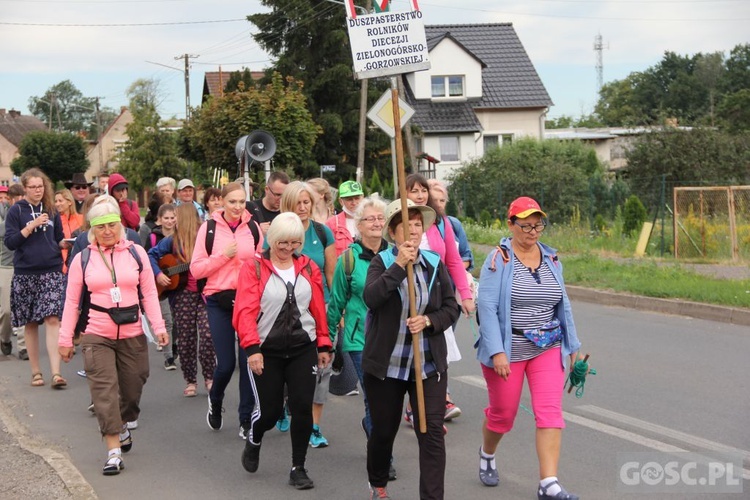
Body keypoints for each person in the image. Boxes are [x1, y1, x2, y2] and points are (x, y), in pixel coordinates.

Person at [475, 196, 582, 499]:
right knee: (503, 415)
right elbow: (487, 307)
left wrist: (573, 345)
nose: (533, 232)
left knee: (550, 413)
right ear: (510, 225)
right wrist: (496, 351)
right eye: (525, 226)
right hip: (509, 349)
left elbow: (564, 304)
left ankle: (548, 482)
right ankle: (487, 453)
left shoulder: (551, 259)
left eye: (538, 226)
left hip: (548, 346)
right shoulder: (499, 259)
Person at [58, 196, 169, 476]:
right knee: (103, 392)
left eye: (112, 225)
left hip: (132, 330)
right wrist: (65, 338)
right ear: (92, 231)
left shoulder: (136, 253)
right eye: (100, 227)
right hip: (97, 333)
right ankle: (113, 452)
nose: (107, 231)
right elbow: (71, 302)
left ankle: (123, 422)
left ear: (120, 226)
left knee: (134, 385)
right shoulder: (82, 259)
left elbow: (149, 294)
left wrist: (158, 327)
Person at [362, 199, 460, 500]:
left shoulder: (433, 264)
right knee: (383, 430)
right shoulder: (382, 262)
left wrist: (429, 320)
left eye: (419, 224)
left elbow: (451, 308)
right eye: (408, 224)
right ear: (394, 232)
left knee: (430, 433)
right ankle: (378, 482)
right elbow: (372, 298)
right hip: (386, 367)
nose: (415, 230)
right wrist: (398, 266)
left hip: (427, 365)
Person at [234, 212, 331, 490]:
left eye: (294, 242)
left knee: (302, 407)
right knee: (270, 412)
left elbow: (317, 308)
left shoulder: (309, 267)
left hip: (303, 348)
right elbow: (244, 311)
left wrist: (323, 343)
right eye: (282, 243)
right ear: (271, 240)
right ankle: (254, 437)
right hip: (266, 351)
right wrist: (252, 349)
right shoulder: (254, 267)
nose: (288, 248)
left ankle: (298, 467)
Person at [190, 182, 263, 437]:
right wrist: (224, 255)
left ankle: (245, 419)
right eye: (232, 202)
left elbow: (261, 264)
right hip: (217, 300)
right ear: (221, 201)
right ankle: (216, 398)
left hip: (246, 301)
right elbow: (196, 269)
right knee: (226, 364)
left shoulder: (252, 227)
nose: (237, 207)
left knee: (247, 362)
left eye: (242, 202)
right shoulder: (208, 229)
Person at [403, 173, 475, 425]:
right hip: (408, 300)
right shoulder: (397, 223)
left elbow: (454, 261)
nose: (420, 195)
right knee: (414, 354)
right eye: (414, 191)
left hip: (437, 300)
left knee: (437, 352)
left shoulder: (440, 223)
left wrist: (464, 296)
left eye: (423, 190)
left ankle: (436, 402)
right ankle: (416, 406)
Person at [327, 197, 389, 439]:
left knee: (387, 398)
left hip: (393, 339)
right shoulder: (348, 260)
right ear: (359, 226)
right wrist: (327, 341)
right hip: (360, 340)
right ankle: (382, 456)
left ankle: (374, 430)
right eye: (370, 218)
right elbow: (337, 302)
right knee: (375, 397)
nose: (376, 223)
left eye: (380, 218)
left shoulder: (397, 256)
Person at [280, 180, 336, 448]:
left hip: (320, 311)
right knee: (290, 368)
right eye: (297, 203)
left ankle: (314, 427)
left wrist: (336, 311)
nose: (302, 208)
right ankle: (284, 404)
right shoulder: (278, 233)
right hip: (286, 313)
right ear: (287, 205)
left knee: (321, 369)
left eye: (306, 203)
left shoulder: (323, 233)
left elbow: (331, 275)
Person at [4, 168, 67, 388]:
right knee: (30, 323)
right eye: (33, 187)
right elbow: (10, 242)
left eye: (41, 186)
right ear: (25, 188)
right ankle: (36, 372)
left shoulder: (51, 210)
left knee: (52, 318)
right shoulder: (16, 211)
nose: (38, 190)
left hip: (51, 269)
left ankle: (56, 373)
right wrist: (30, 226)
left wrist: (67, 243)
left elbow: (57, 238)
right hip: (25, 272)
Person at [149, 203, 215, 396]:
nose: (174, 219)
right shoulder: (172, 241)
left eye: (177, 216)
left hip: (205, 293)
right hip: (182, 294)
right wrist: (159, 274)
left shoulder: (205, 239)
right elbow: (151, 255)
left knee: (208, 335)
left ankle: (209, 377)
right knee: (186, 338)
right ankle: (191, 380)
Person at [144, 203, 177, 369]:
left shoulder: (180, 237)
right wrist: (158, 274)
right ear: (159, 220)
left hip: (177, 283)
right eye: (166, 218)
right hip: (159, 284)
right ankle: (168, 357)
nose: (170, 221)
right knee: (167, 320)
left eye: (172, 218)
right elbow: (146, 259)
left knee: (177, 320)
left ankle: (174, 347)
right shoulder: (153, 237)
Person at [0, 184, 26, 358]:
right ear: (9, 199)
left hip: (24, 266)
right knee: (7, 311)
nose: (18, 201)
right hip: (6, 266)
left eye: (21, 197)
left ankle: (23, 346)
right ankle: (5, 338)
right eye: (14, 198)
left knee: (23, 308)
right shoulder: (5, 220)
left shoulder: (28, 216)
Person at [427, 179, 473, 271]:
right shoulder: (419, 226)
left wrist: (451, 271)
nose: (439, 205)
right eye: (435, 200)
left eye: (442, 201)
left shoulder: (453, 224)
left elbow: (466, 257)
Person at [326, 180, 364, 257]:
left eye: (357, 198)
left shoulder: (371, 219)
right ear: (341, 201)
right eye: (349, 199)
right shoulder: (332, 224)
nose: (354, 202)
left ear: (362, 197)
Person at [55, 188, 83, 273]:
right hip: (60, 264)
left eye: (60, 201)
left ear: (69, 202)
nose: (57, 204)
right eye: (55, 201)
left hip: (79, 260)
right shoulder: (55, 221)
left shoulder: (81, 218)